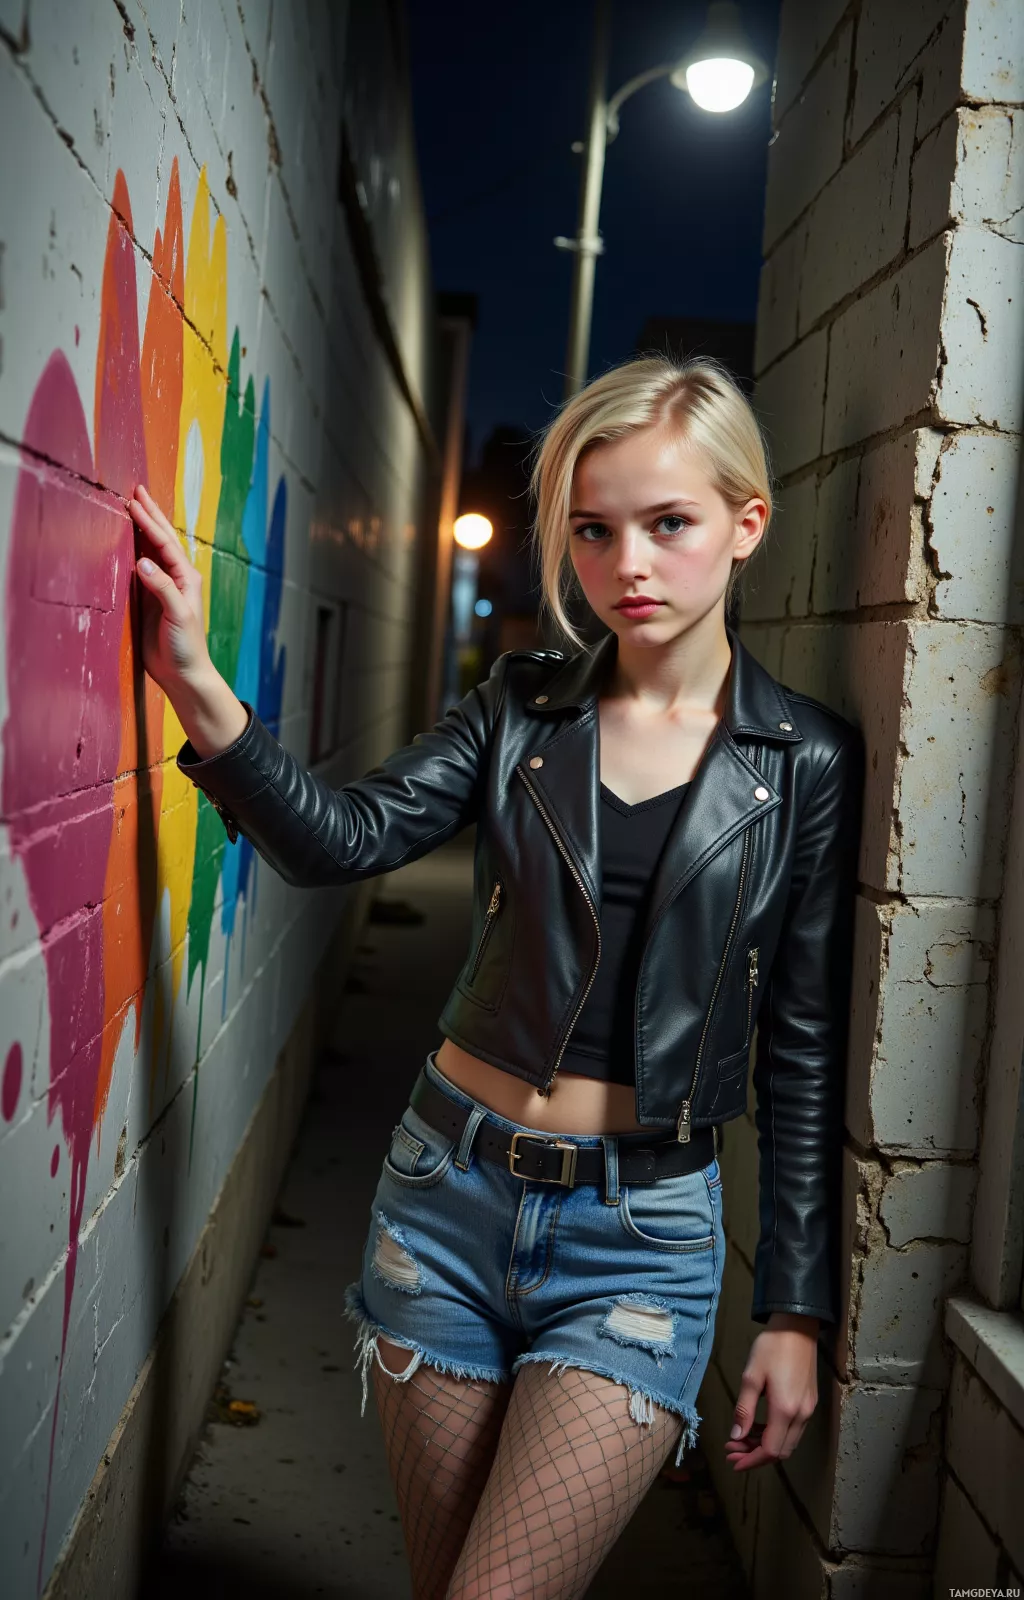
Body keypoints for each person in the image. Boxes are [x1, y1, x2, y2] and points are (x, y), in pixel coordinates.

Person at [130, 357, 860, 1600]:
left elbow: (799, 1044)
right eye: (593, 529)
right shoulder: (520, 709)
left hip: (640, 1245)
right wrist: (197, 682)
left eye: (667, 523)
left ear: (745, 526)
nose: (627, 562)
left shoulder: (803, 764)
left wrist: (792, 1311)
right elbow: (342, 840)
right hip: (443, 1198)